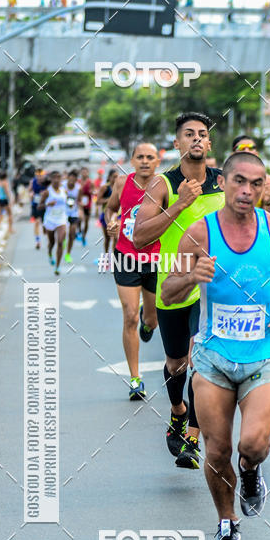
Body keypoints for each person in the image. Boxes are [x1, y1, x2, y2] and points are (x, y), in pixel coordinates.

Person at [161, 152, 270, 540]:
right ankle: (227, 524)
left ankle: (251, 470)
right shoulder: (198, 233)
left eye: (256, 184)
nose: (247, 190)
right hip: (212, 358)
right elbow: (167, 292)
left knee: (253, 445)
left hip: (263, 355)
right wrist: (190, 277)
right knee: (217, 449)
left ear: (265, 187)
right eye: (239, 181)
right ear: (223, 182)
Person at [133, 113, 224, 467]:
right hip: (173, 286)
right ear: (177, 143)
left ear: (209, 143)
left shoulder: (224, 183)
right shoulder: (163, 185)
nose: (196, 139)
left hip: (212, 288)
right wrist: (180, 204)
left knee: (201, 362)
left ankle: (192, 439)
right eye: (189, 134)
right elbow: (139, 237)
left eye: (202, 134)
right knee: (176, 364)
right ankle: (177, 412)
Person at [103, 146, 159, 400]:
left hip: (156, 258)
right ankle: (135, 379)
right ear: (133, 160)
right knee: (129, 316)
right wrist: (111, 221)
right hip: (126, 256)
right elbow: (110, 208)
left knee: (151, 320)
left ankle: (149, 319)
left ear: (157, 161)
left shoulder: (164, 185)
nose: (145, 161)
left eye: (150, 157)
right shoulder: (122, 182)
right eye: (140, 157)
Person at [232, 134, 270, 212]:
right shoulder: (223, 178)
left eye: (251, 148)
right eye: (241, 148)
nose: (247, 151)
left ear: (257, 153)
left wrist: (267, 201)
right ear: (233, 154)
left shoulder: (267, 181)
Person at [40, 171, 68, 275]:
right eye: (54, 178)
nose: (56, 180)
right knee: (52, 242)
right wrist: (48, 204)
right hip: (50, 220)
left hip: (61, 219)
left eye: (58, 177)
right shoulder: (47, 192)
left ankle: (57, 266)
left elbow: (67, 202)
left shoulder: (64, 191)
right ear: (51, 179)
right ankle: (50, 253)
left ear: (61, 179)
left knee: (60, 241)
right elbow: (39, 206)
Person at [97, 169, 118, 259]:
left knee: (116, 237)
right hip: (106, 215)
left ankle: (114, 258)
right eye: (114, 177)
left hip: (117, 215)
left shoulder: (119, 187)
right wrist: (108, 200)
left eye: (117, 177)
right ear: (109, 177)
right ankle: (106, 255)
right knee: (107, 238)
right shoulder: (105, 187)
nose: (116, 179)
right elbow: (98, 201)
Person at [63, 170, 81, 263]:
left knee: (72, 233)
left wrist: (80, 209)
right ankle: (63, 241)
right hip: (63, 213)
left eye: (74, 179)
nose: (71, 181)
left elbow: (80, 201)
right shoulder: (62, 186)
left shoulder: (78, 188)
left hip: (73, 213)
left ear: (76, 180)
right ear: (68, 178)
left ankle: (68, 254)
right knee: (63, 233)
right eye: (70, 179)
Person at [30, 170, 47, 250]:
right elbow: (29, 190)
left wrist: (44, 193)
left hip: (44, 205)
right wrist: (31, 194)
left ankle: (47, 239)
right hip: (36, 204)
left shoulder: (46, 182)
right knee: (36, 222)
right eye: (37, 175)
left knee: (45, 224)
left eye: (40, 175)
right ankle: (38, 241)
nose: (39, 177)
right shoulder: (33, 182)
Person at [78, 167, 93, 245]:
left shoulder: (90, 182)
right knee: (79, 218)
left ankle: (84, 235)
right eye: (82, 172)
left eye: (85, 172)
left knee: (86, 221)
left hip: (88, 203)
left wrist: (92, 191)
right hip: (80, 202)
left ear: (88, 173)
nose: (84, 174)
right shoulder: (78, 182)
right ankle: (79, 230)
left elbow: (94, 191)